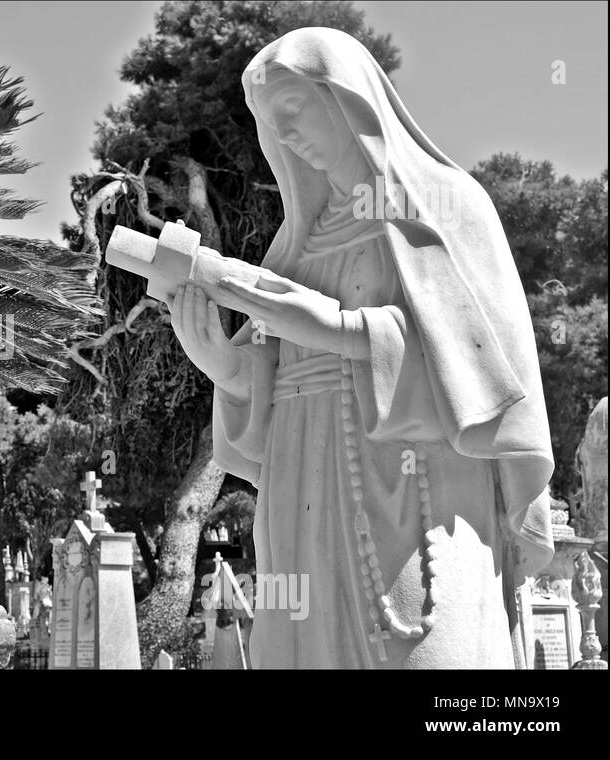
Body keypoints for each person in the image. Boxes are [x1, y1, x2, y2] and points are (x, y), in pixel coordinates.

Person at [169, 27, 554, 668]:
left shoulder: (447, 208)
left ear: (346, 98)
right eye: (270, 122)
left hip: (421, 494)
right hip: (304, 494)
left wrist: (338, 328)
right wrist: (226, 364)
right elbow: (271, 387)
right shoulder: (290, 251)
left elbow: (484, 376)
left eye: (293, 108)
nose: (284, 134)